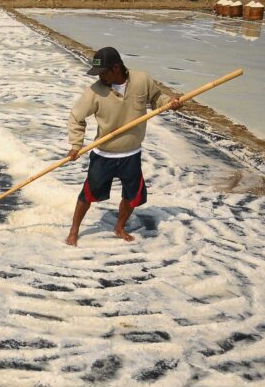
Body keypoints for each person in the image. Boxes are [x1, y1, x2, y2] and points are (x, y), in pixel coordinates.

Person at [65, 47, 181, 246]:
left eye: (103, 72)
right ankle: (74, 230)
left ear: (116, 68)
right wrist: (76, 144)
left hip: (131, 154)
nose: (100, 76)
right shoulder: (95, 91)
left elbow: (156, 99)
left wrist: (169, 102)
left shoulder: (142, 80)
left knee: (132, 196)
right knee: (88, 194)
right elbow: (76, 116)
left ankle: (119, 227)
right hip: (104, 155)